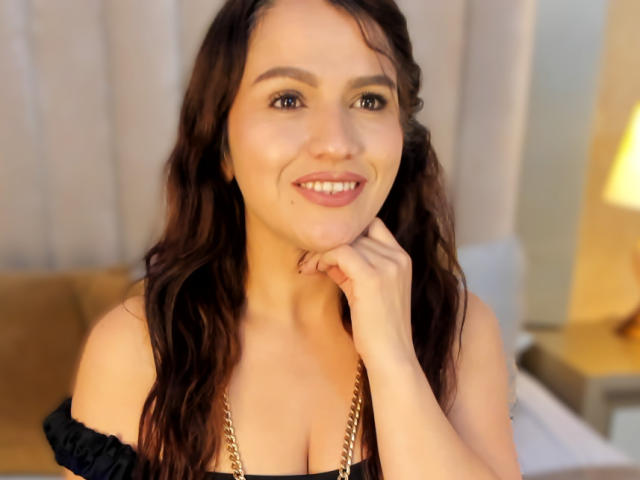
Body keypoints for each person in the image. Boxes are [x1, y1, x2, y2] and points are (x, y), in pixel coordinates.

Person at [42, 0, 522, 479]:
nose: (336, 143)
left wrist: (394, 357)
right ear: (221, 146)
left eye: (369, 100)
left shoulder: (460, 332)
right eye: (288, 99)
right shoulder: (135, 351)